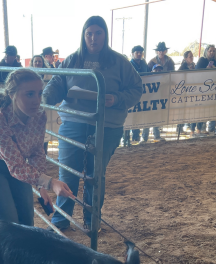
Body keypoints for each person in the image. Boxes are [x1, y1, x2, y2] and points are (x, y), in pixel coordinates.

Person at [43, 16, 143, 232]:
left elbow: (137, 89)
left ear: (105, 35)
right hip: (73, 123)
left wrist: (116, 99)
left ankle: (92, 220)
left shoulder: (120, 62)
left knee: (95, 176)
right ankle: (61, 219)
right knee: (68, 173)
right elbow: (57, 82)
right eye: (89, 33)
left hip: (106, 126)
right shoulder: (72, 60)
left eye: (98, 33)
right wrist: (43, 99)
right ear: (83, 35)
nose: (93, 38)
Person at [0, 68, 73, 226]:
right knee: (8, 220)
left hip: (20, 165)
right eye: (30, 94)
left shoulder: (40, 114)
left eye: (40, 93)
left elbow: (37, 151)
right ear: (12, 95)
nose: (37, 100)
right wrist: (50, 182)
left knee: (27, 219)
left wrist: (41, 186)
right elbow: (16, 166)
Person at [196, 45, 216, 134]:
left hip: (211, 88)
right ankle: (199, 129)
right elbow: (196, 72)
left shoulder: (215, 61)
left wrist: (215, 69)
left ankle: (204, 128)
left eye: (213, 51)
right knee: (201, 109)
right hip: (202, 88)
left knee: (207, 109)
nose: (212, 53)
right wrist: (206, 69)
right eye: (210, 51)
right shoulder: (202, 60)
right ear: (206, 51)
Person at [128, 45, 150, 144]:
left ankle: (143, 137)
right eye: (137, 52)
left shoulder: (144, 64)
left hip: (145, 92)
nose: (139, 54)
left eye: (141, 52)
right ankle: (134, 136)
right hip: (133, 92)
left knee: (144, 112)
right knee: (134, 114)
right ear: (132, 54)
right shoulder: (129, 64)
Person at [178, 51, 197, 137]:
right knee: (182, 110)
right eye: (190, 56)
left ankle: (189, 127)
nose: (191, 58)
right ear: (185, 58)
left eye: (192, 56)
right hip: (184, 90)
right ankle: (180, 127)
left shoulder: (194, 66)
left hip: (192, 89)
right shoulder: (183, 67)